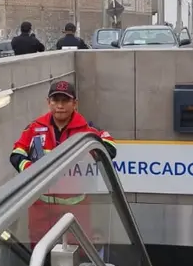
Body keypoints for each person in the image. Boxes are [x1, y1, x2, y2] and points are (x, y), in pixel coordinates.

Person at [10, 79, 116, 249]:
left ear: (75, 103)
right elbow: (16, 154)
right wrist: (31, 169)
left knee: (77, 255)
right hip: (41, 208)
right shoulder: (35, 128)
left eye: (65, 101)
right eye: (55, 100)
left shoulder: (86, 129)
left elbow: (110, 148)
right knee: (40, 255)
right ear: (48, 102)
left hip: (76, 210)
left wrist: (90, 150)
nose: (60, 105)